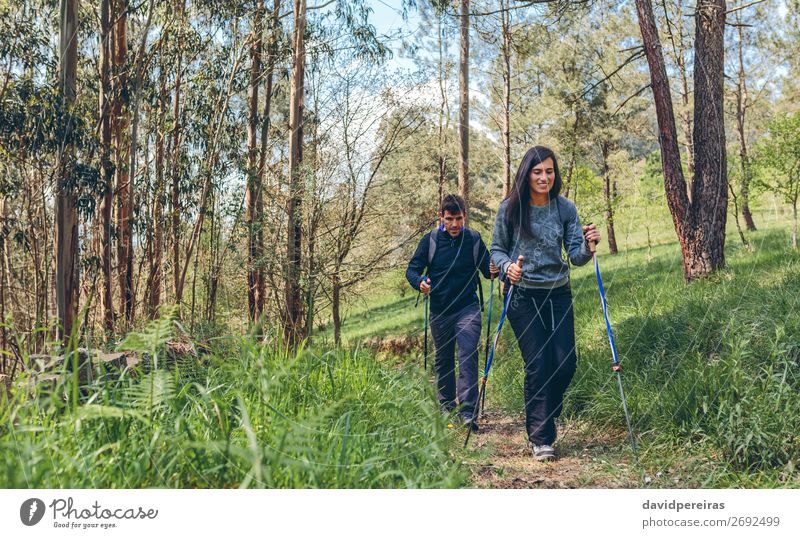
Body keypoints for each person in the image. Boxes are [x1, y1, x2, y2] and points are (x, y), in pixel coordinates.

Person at [490, 146, 600, 461]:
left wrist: (589, 246)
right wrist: (508, 266)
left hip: (558, 293)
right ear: (526, 174)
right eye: (537, 172)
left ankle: (543, 414)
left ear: (556, 173)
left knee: (565, 363)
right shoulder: (510, 208)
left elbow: (576, 256)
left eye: (549, 171)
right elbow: (496, 250)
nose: (544, 177)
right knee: (538, 364)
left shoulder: (565, 208)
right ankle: (541, 438)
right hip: (522, 295)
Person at [406, 194, 499, 430]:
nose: (455, 224)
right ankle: (447, 407)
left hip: (468, 308)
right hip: (440, 310)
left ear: (465, 216)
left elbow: (488, 272)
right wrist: (420, 283)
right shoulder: (431, 241)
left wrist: (494, 268)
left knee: (468, 353)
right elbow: (412, 270)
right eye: (449, 219)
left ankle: (468, 413)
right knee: (443, 359)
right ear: (441, 217)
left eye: (458, 219)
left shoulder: (474, 240)